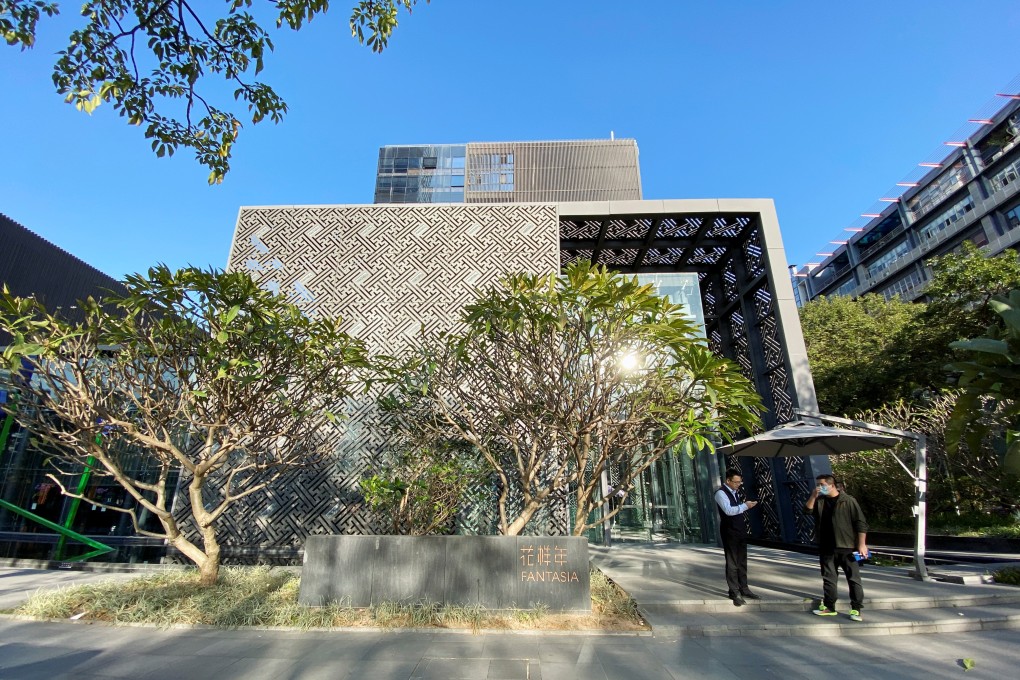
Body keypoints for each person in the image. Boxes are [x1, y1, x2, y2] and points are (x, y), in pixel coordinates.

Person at [804, 473, 869, 622]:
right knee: (829, 578)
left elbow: (861, 523)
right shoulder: (820, 500)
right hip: (827, 546)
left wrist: (862, 544)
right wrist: (813, 496)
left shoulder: (848, 501)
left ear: (832, 485)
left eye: (822, 485)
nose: (819, 487)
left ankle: (856, 608)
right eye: (818, 485)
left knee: (853, 579)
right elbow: (807, 511)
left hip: (847, 546)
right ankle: (829, 606)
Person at [715, 468, 759, 606]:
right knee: (732, 562)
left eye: (740, 482)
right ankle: (734, 592)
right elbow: (728, 511)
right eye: (736, 482)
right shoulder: (721, 493)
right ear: (728, 480)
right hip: (729, 531)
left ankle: (744, 588)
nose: (738, 484)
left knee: (742, 561)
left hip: (739, 530)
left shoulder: (735, 492)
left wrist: (744, 506)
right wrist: (745, 506)